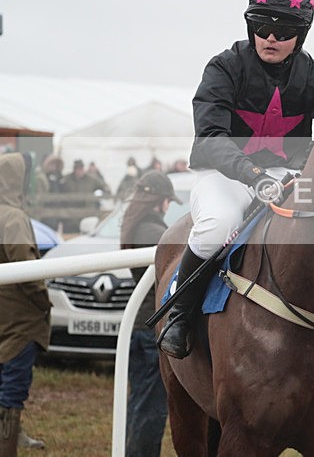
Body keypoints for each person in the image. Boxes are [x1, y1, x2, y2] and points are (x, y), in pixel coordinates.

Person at [157, 0, 314, 358]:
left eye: (283, 31)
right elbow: (210, 138)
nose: (270, 38)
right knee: (218, 223)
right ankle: (180, 315)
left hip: (285, 175)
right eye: (262, 26)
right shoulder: (224, 68)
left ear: (302, 34)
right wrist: (252, 174)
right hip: (224, 173)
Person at [120, 172, 182, 456]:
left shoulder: (137, 226)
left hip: (138, 325)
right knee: (151, 407)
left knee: (139, 403)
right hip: (149, 329)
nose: (169, 207)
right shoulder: (153, 232)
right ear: (159, 200)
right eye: (168, 200)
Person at [0, 153, 52, 457]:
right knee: (13, 389)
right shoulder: (13, 217)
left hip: (6, 317)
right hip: (19, 319)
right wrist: (43, 300)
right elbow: (26, 267)